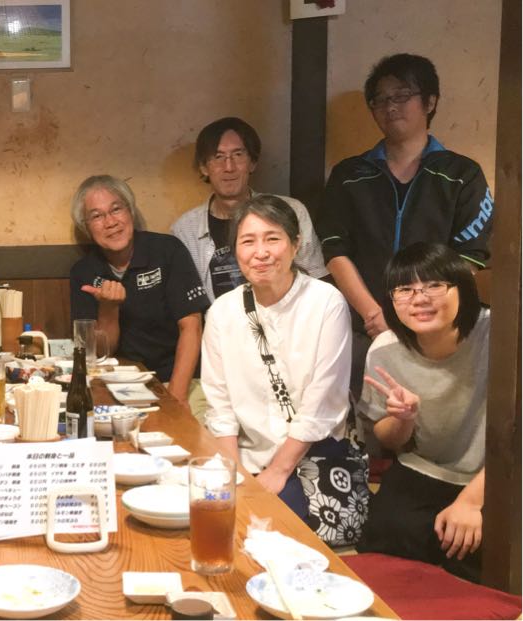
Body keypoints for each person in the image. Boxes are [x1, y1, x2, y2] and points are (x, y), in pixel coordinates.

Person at [312, 53, 494, 397]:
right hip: (363, 327)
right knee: (371, 417)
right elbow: (333, 248)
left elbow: (471, 255)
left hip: (438, 330)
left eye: (402, 95)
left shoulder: (462, 174)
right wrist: (374, 315)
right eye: (380, 99)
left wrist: (421, 311)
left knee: (434, 414)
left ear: (430, 101)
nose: (390, 106)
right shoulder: (349, 174)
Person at [201, 195, 352, 518]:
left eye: (273, 239)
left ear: (296, 245)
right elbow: (220, 405)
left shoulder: (326, 303)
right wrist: (234, 474)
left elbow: (321, 402)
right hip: (245, 457)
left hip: (309, 457)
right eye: (248, 241)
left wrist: (278, 471)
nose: (261, 252)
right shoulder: (222, 312)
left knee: (272, 526)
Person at [357, 242, 487, 583]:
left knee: (484, 554)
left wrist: (472, 501)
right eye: (405, 289)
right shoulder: (385, 351)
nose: (419, 299)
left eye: (434, 285)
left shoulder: (498, 335)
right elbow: (386, 439)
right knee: (384, 537)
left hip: (496, 475)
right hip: (424, 468)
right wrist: (403, 419)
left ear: (463, 288)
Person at [69, 175, 206, 404]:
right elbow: (100, 353)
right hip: (119, 385)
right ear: (86, 227)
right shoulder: (83, 272)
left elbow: (191, 326)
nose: (110, 222)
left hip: (180, 380)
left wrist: (176, 398)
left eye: (116, 209)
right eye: (97, 216)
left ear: (130, 211)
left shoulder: (167, 250)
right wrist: (108, 309)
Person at [171, 116, 327, 305]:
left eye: (238, 155)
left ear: (252, 162)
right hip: (219, 321)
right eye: (218, 157)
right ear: (204, 167)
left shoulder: (291, 210)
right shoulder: (185, 229)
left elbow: (317, 279)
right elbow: (187, 303)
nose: (229, 167)